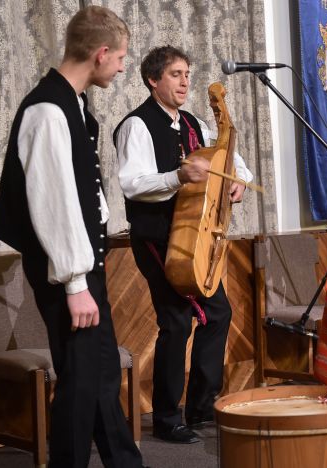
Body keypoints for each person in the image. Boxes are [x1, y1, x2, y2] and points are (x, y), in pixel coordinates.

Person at [0, 6, 145, 467]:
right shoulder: (47, 110)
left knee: (99, 375)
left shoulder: (72, 103)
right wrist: (76, 284)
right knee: (79, 383)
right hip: (67, 272)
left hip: (84, 266)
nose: (122, 67)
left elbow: (81, 193)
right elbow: (51, 203)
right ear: (100, 53)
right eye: (121, 57)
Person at [114, 45, 253, 444]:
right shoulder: (136, 125)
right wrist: (178, 176)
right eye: (175, 74)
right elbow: (133, 183)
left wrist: (240, 180)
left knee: (218, 313)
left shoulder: (195, 124)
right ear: (153, 80)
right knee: (175, 322)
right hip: (157, 236)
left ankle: (201, 408)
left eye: (187, 74)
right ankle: (166, 418)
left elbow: (231, 159)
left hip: (194, 236)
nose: (184, 81)